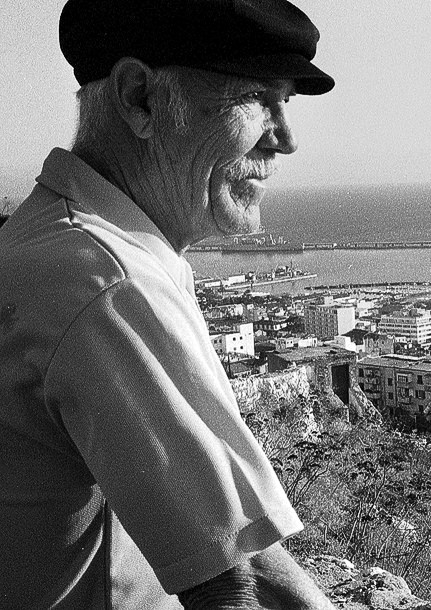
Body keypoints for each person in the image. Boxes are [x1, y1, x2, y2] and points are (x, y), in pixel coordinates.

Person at [0, 0, 338, 607]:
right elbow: (241, 584)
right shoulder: (105, 282)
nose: (285, 139)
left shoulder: (59, 240)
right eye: (259, 98)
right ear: (140, 99)